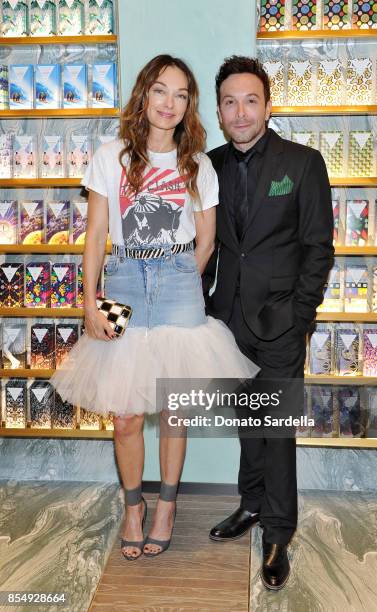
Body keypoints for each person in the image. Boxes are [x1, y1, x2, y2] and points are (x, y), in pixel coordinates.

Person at [51, 55, 258, 562]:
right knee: (125, 416)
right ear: (144, 95)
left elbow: (206, 239)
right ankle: (133, 507)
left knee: (175, 410)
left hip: (177, 285)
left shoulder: (198, 165)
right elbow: (96, 234)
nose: (170, 103)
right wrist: (89, 300)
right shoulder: (110, 157)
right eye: (161, 91)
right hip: (121, 284)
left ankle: (166, 505)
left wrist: (178, 275)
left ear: (189, 105)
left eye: (181, 94)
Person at [203, 56, 334, 591]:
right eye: (230, 102)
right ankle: (252, 505)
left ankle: (279, 533)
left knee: (276, 431)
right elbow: (204, 244)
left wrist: (299, 317)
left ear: (268, 105)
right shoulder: (205, 167)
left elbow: (318, 249)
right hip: (225, 322)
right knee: (248, 423)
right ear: (218, 110)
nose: (240, 112)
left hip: (280, 322)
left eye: (250, 100)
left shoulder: (303, 163)